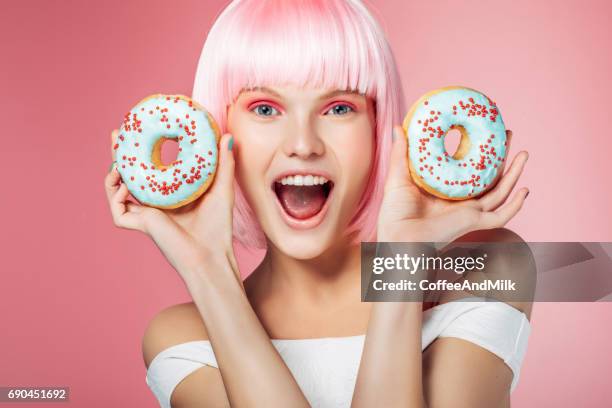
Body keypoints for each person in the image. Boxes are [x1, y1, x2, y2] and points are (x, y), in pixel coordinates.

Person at [104, 0, 533, 407]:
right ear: (217, 132)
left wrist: (402, 262)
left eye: (339, 107)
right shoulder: (181, 337)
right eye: (266, 109)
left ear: (378, 128)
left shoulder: (487, 265)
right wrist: (206, 270)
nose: (303, 144)